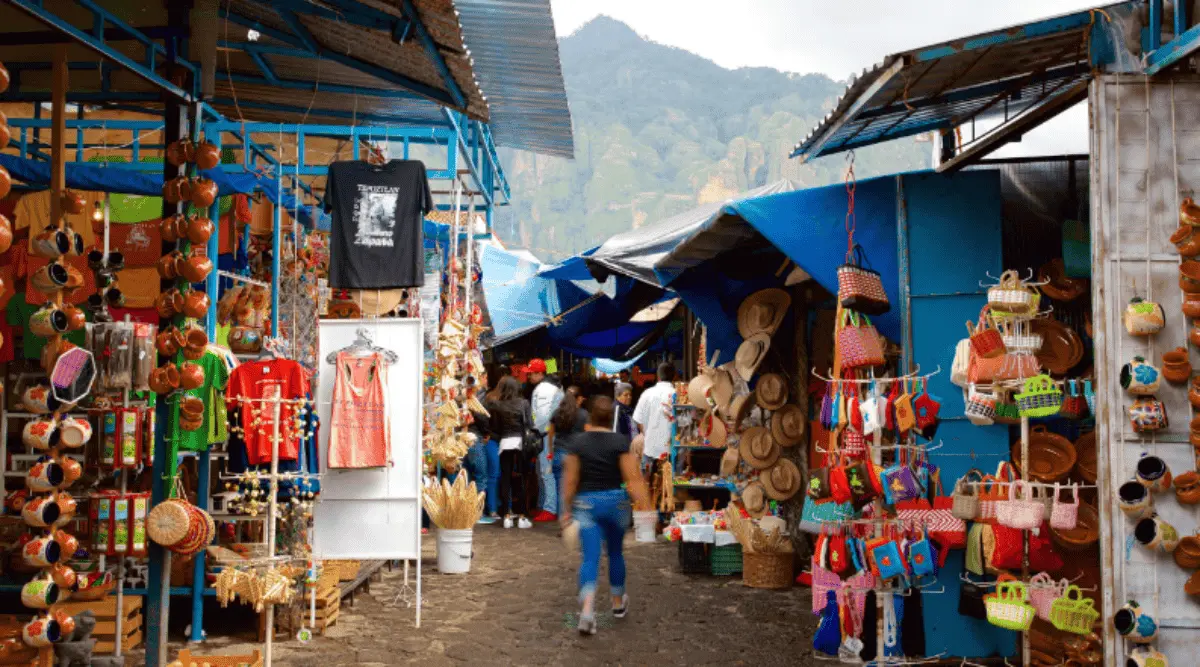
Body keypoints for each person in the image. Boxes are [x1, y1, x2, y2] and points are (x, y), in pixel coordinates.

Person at [560, 396, 652, 636]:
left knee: (590, 557)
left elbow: (570, 481)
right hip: (615, 503)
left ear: (590, 416)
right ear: (612, 418)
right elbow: (633, 479)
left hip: (587, 504)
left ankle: (588, 611)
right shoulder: (620, 441)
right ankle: (617, 603)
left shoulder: (577, 443)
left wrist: (567, 509)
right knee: (615, 553)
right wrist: (646, 507)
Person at [488, 376, 533, 529]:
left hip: (504, 443)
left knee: (505, 479)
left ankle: (506, 515)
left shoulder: (497, 405)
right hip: (520, 443)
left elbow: (495, 427)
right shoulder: (524, 403)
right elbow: (529, 425)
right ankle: (521, 516)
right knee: (520, 478)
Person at [529, 360, 564, 522]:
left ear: (540, 373)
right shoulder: (553, 388)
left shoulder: (543, 390)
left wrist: (535, 431)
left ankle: (549, 508)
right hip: (552, 434)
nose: (529, 376)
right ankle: (544, 505)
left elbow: (542, 416)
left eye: (531, 373)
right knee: (544, 472)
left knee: (546, 472)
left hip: (546, 436)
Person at [631, 363, 677, 480]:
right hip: (672, 450)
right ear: (674, 377)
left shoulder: (647, 394)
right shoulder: (678, 394)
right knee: (669, 488)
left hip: (650, 448)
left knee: (647, 486)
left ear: (658, 377)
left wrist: (646, 433)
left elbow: (638, 419)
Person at [548, 386, 588, 515]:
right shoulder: (584, 414)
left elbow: (550, 435)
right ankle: (575, 522)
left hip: (559, 453)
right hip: (576, 456)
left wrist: (550, 453)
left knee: (561, 491)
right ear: (578, 399)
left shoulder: (557, 413)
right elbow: (588, 436)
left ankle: (563, 524)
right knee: (576, 490)